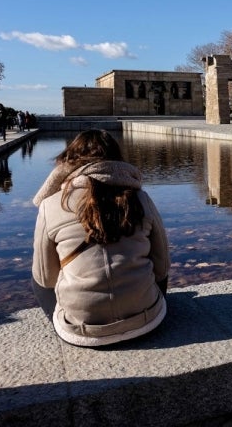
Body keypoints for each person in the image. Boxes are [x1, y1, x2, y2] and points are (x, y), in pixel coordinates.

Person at [31, 129, 170, 347]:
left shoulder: (51, 205)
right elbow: (162, 267)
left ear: (69, 162)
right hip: (147, 320)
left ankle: (75, 313)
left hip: (84, 331)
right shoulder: (141, 198)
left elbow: (45, 278)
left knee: (35, 279)